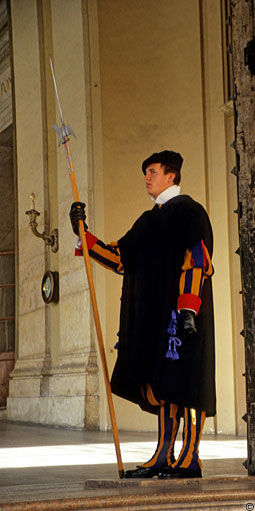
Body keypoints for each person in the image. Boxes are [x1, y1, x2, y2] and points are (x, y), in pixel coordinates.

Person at [69, 150, 216, 479]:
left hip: (184, 314)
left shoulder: (191, 212)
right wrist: (83, 233)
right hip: (155, 320)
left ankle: (190, 457)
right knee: (162, 385)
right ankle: (164, 454)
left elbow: (197, 257)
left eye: (152, 171)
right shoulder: (148, 221)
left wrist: (189, 308)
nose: (146, 177)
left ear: (171, 175)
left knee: (188, 383)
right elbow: (120, 257)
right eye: (145, 172)